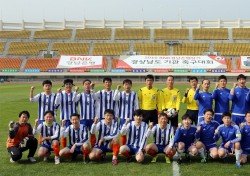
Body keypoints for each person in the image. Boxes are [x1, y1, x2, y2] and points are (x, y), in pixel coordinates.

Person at [114, 79, 139, 145]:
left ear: (131, 85)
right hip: (122, 117)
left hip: (131, 117)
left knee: (132, 132)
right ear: (123, 85)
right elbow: (115, 98)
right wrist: (117, 89)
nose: (127, 86)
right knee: (123, 132)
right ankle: (123, 146)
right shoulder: (120, 93)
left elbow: (136, 105)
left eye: (128, 84)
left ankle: (131, 145)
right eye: (125, 84)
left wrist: (136, 115)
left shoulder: (134, 94)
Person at [55, 79, 78, 148]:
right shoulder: (61, 93)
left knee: (74, 133)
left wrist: (76, 92)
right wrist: (58, 94)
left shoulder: (75, 93)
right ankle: (65, 149)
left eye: (69, 84)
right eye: (66, 84)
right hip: (64, 118)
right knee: (63, 134)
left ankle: (74, 148)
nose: (68, 86)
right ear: (64, 86)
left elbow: (75, 100)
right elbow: (56, 103)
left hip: (74, 119)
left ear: (72, 85)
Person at [76, 79, 96, 147]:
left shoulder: (94, 94)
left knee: (92, 133)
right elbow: (74, 100)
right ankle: (84, 150)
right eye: (85, 84)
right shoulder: (80, 95)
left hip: (92, 119)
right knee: (83, 134)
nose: (87, 86)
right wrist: (76, 91)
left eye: (88, 84)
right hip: (83, 119)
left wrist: (96, 116)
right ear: (83, 86)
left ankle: (93, 147)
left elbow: (96, 105)